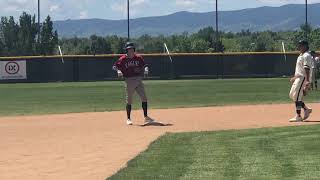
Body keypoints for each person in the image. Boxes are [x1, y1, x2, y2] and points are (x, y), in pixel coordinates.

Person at [112, 42, 154, 125]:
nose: (130, 51)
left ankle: (146, 117)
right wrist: (119, 70)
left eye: (131, 49)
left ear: (134, 50)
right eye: (129, 49)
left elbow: (145, 65)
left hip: (138, 80)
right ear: (126, 50)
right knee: (129, 100)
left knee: (144, 98)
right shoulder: (123, 59)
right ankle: (128, 118)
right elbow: (114, 66)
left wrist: (146, 69)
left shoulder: (138, 58)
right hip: (129, 80)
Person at [289, 40, 313, 122]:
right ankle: (306, 109)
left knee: (297, 96)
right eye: (299, 45)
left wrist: (307, 81)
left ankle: (298, 116)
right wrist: (294, 77)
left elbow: (307, 69)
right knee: (292, 95)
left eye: (300, 45)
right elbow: (300, 69)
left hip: (303, 78)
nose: (299, 46)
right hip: (298, 78)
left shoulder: (306, 55)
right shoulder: (301, 55)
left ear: (305, 46)